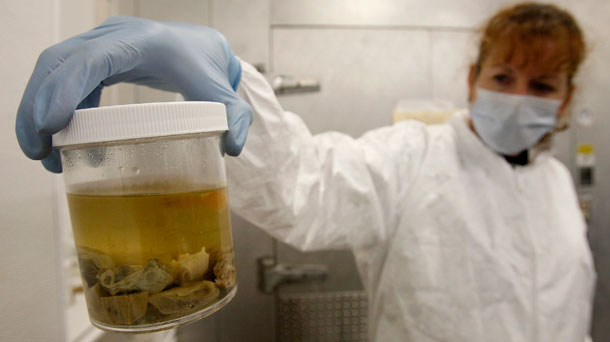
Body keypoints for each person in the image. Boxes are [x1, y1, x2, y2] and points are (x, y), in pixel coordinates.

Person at [15, 2, 595, 341]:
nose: (520, 97)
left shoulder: (557, 186)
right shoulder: (415, 158)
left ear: (566, 100)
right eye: (504, 77)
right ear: (473, 81)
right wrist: (229, 77)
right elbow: (304, 186)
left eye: (542, 86)